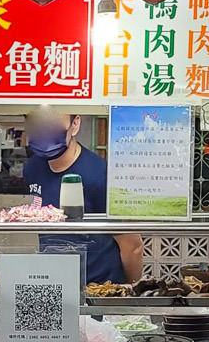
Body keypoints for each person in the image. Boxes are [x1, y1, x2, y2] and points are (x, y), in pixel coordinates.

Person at [23, 106, 143, 284]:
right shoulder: (32, 169)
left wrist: (126, 290)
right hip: (55, 283)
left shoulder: (102, 175)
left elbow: (132, 246)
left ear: (75, 123)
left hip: (99, 289)